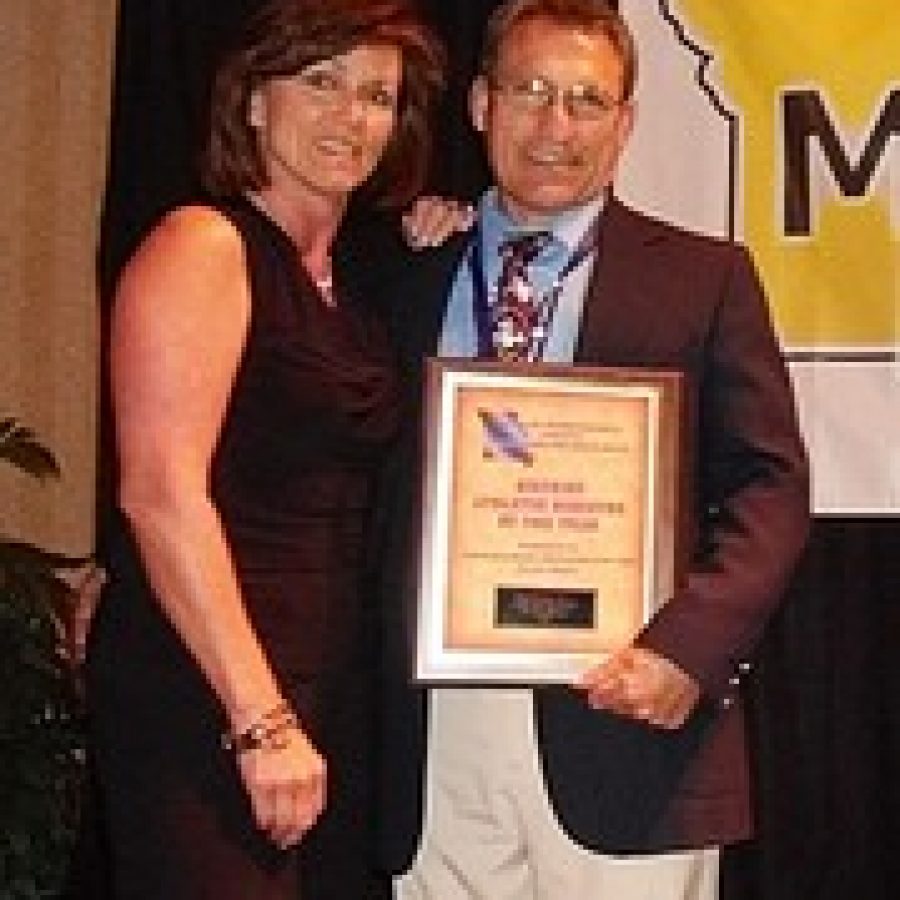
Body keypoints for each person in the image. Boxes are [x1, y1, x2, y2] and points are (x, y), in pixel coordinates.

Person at [373, 1, 811, 897]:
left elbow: (770, 488)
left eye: (587, 100)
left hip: (627, 717)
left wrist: (687, 652)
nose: (556, 126)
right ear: (482, 104)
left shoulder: (704, 278)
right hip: (432, 733)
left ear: (626, 123)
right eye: (530, 92)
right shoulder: (405, 267)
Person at [84, 1, 444, 897]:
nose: (349, 116)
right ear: (253, 101)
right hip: (211, 690)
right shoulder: (201, 246)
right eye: (319, 83)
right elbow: (160, 493)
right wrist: (258, 719)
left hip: (330, 687)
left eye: (375, 95)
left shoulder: (359, 280)